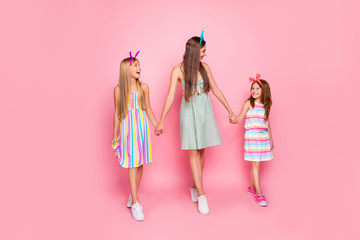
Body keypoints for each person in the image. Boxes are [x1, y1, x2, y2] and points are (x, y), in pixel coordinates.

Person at [155, 32, 235, 214]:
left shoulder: (205, 67)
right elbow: (169, 97)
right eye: (203, 51)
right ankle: (201, 194)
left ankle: (194, 186)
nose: (205, 54)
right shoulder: (178, 70)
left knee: (201, 150)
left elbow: (215, 89)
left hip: (204, 107)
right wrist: (160, 121)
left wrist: (230, 110)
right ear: (195, 51)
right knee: (193, 150)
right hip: (189, 109)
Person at [111, 52, 158, 220]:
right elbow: (117, 113)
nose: (140, 68)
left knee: (139, 163)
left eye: (139, 64)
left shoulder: (143, 87)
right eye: (136, 65)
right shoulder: (118, 90)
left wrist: (156, 124)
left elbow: (148, 108)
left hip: (142, 128)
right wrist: (114, 134)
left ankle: (133, 193)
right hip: (127, 129)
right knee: (132, 163)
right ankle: (136, 203)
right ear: (126, 69)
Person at [230, 73, 274, 207]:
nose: (254, 91)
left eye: (257, 89)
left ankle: (251, 188)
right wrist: (233, 119)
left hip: (263, 138)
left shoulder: (266, 106)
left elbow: (267, 123)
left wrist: (271, 140)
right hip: (252, 138)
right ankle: (259, 194)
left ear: (264, 91)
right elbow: (239, 118)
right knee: (255, 164)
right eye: (252, 88)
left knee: (257, 164)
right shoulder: (249, 103)